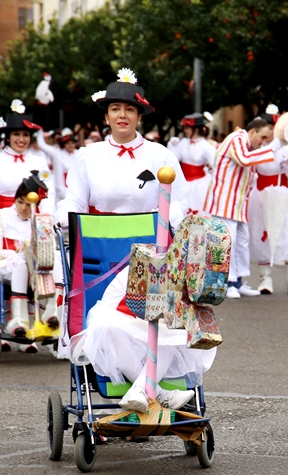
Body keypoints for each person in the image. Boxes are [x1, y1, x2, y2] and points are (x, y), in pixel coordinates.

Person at [56, 68, 200, 413]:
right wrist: (63, 216)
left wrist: (168, 222)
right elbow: (73, 200)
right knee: (104, 324)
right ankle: (157, 392)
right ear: (106, 115)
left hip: (153, 250)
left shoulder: (161, 156)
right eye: (116, 109)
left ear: (139, 115)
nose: (123, 116)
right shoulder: (87, 156)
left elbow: (179, 200)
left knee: (164, 321)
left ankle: (142, 389)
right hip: (98, 249)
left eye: (130, 110)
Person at [0, 100, 51, 301]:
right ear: (8, 136)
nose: (21, 139)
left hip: (31, 220)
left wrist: (48, 218)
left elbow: (48, 196)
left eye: (25, 135)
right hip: (2, 222)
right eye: (16, 134)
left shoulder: (39, 162)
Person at [202, 117, 277, 299]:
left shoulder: (248, 145)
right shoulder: (237, 139)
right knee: (230, 242)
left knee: (242, 242)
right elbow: (244, 159)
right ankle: (227, 284)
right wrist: (274, 147)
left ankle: (238, 282)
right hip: (224, 202)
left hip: (238, 204)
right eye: (263, 137)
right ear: (253, 132)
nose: (264, 142)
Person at [0, 173, 54, 339]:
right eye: (20, 202)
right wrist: (15, 254)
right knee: (20, 265)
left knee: (54, 260)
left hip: (34, 269)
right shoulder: (2, 216)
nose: (23, 208)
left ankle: (52, 313)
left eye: (29, 204)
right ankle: (18, 320)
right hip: (6, 264)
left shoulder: (39, 221)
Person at [249, 125, 288, 295]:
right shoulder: (259, 148)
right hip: (262, 195)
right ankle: (265, 279)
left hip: (284, 193)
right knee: (263, 232)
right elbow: (251, 170)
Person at [167, 112, 216, 215]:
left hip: (200, 185)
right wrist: (172, 146)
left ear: (196, 129)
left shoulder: (206, 146)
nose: (185, 130)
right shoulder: (184, 142)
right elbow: (174, 159)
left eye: (187, 128)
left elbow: (216, 165)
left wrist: (212, 171)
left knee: (198, 213)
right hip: (183, 182)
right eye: (184, 128)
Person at [37, 126, 76, 203]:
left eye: (72, 143)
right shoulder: (58, 154)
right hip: (63, 192)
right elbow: (42, 145)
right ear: (63, 144)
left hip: (77, 189)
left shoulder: (79, 153)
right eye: (68, 143)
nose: (70, 145)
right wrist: (39, 131)